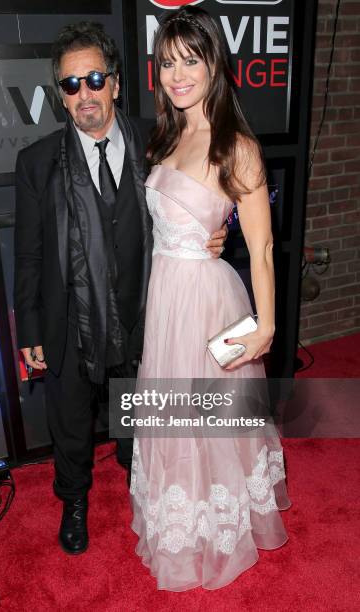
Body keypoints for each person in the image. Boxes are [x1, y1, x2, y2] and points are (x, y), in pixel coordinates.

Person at [13, 22, 227, 556]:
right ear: (61, 98)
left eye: (93, 79)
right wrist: (31, 327)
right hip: (71, 319)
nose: (84, 93)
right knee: (70, 423)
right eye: (70, 85)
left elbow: (205, 192)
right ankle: (75, 501)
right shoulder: (37, 163)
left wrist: (215, 233)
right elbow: (29, 255)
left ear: (115, 83)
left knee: (140, 410)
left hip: (145, 309)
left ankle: (142, 480)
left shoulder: (159, 141)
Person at [130, 7, 291, 591]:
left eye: (189, 60)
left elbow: (265, 246)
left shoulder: (236, 146)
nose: (177, 75)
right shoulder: (167, 134)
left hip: (207, 302)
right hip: (166, 297)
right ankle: (183, 521)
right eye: (167, 62)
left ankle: (223, 524)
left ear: (213, 64)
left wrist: (266, 326)